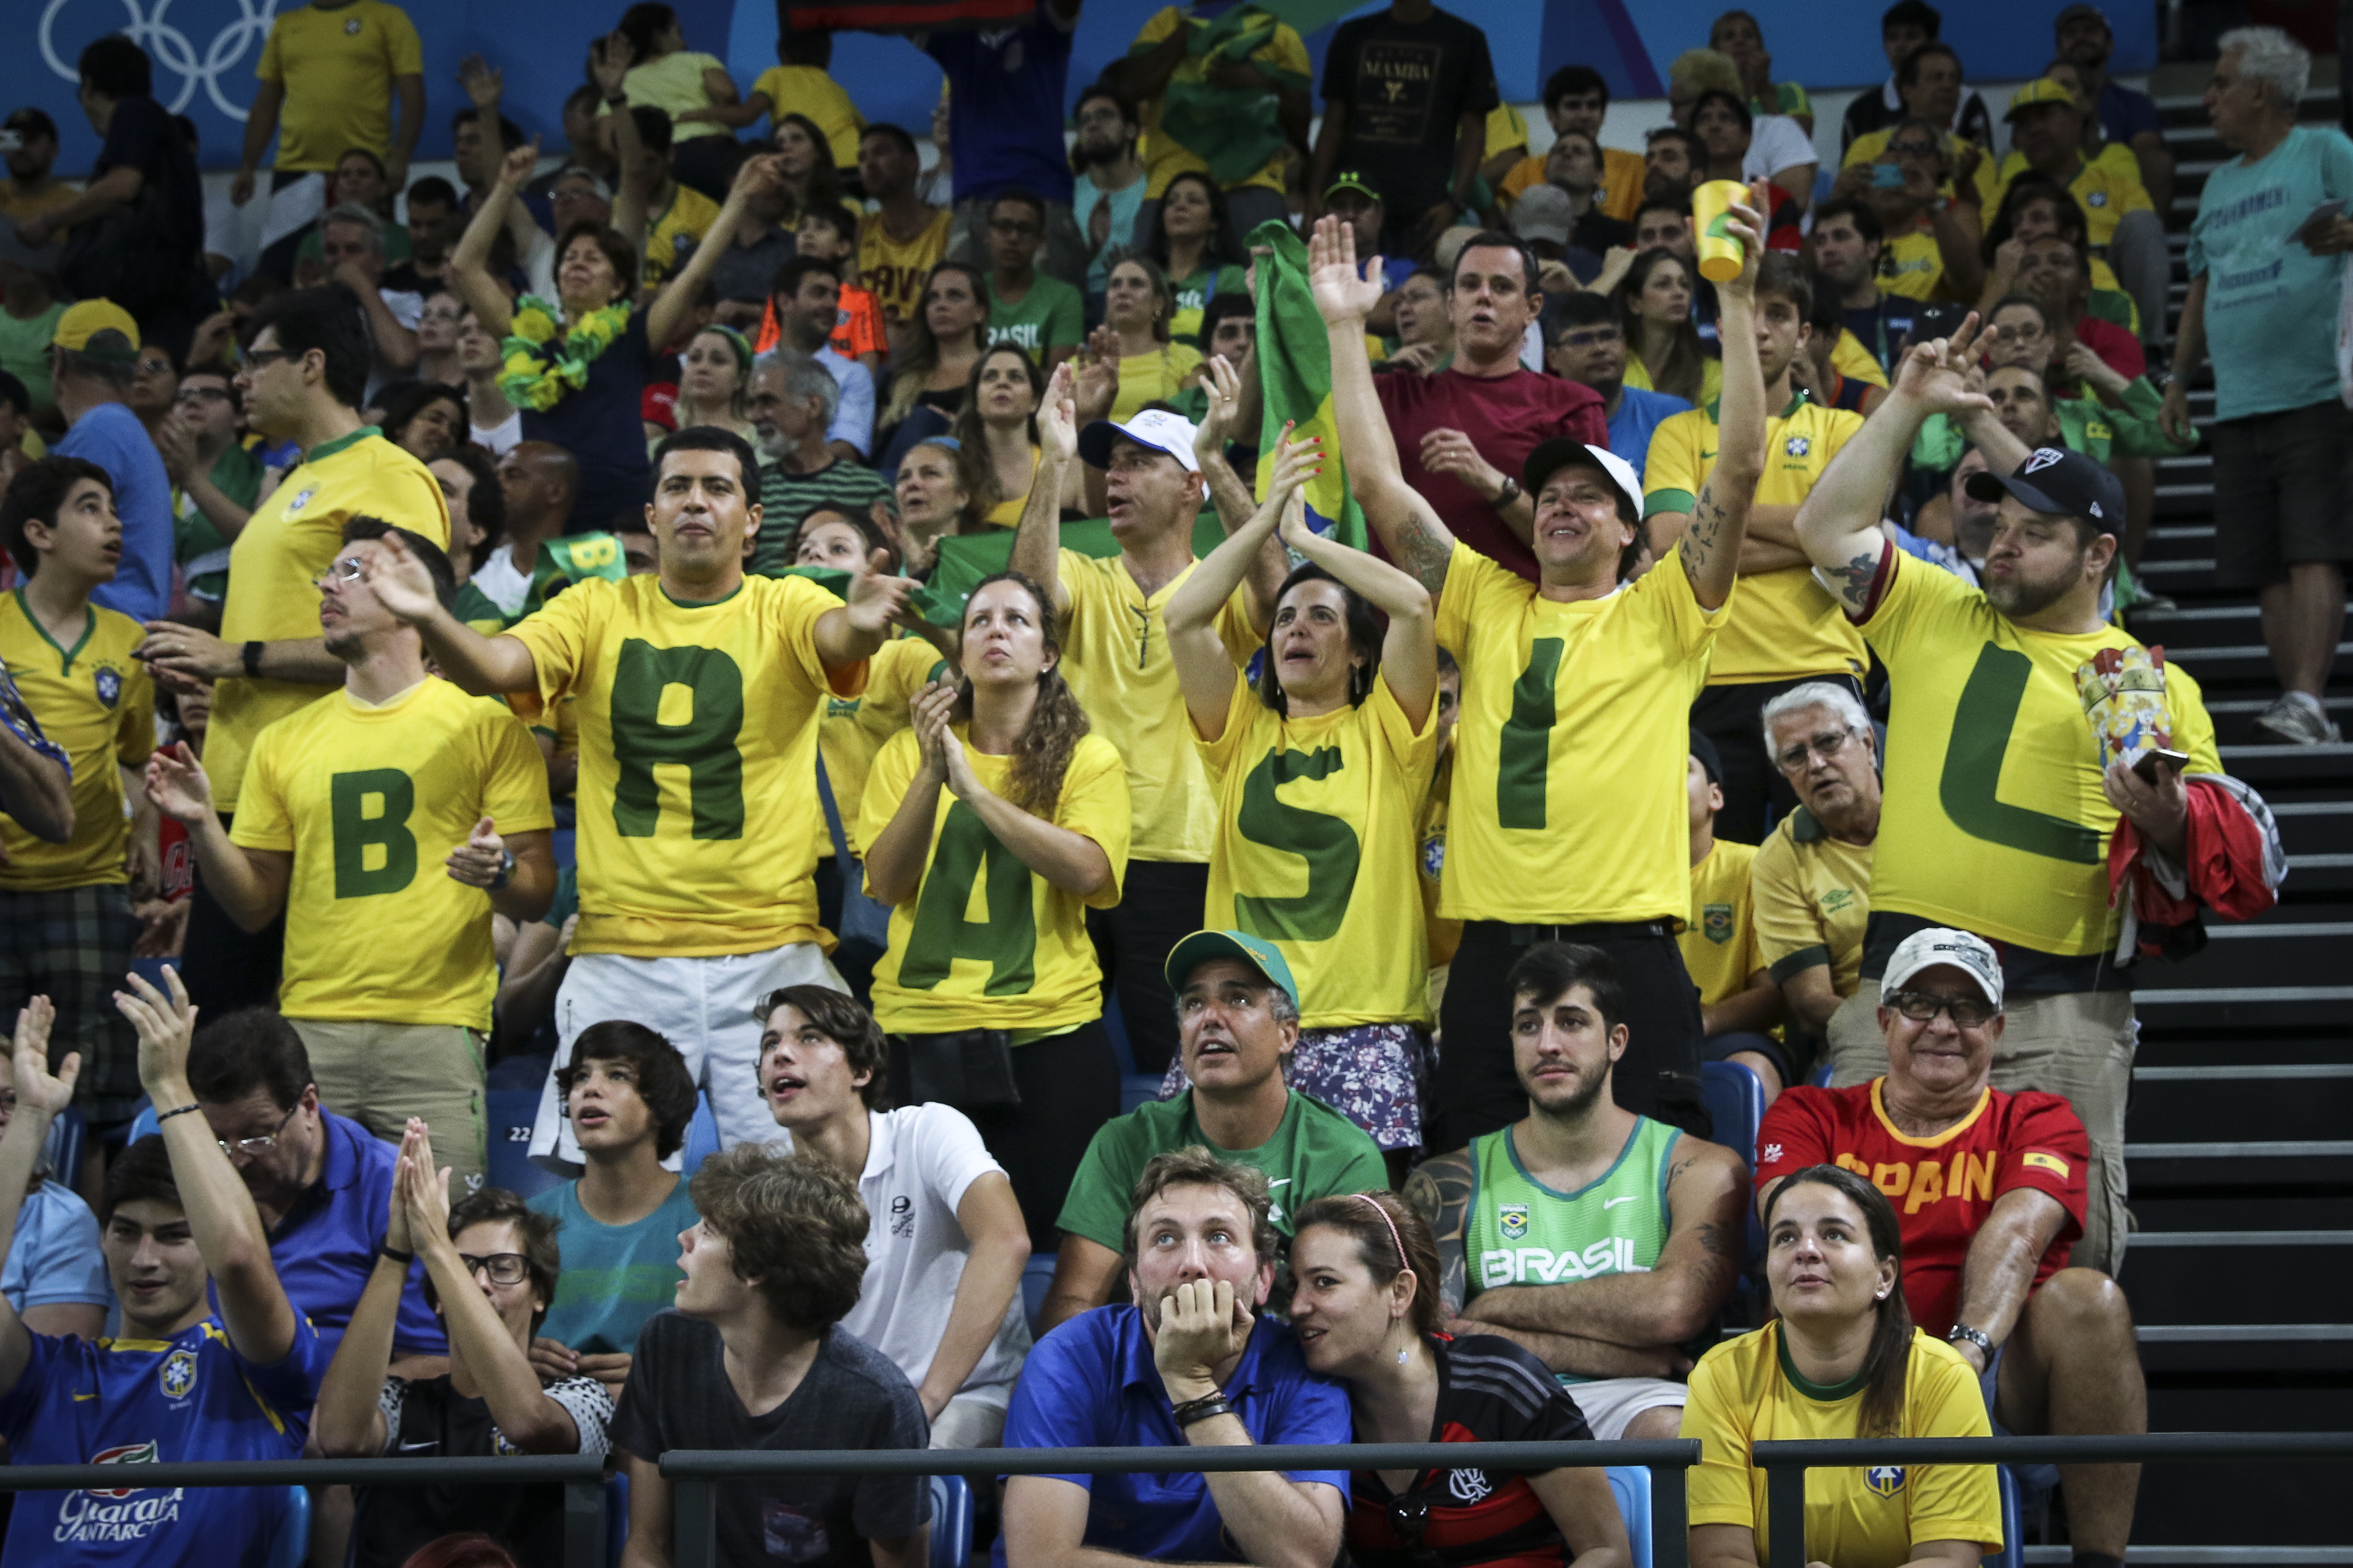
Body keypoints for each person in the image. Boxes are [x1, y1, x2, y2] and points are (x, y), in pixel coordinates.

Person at [1790, 316, 2232, 1281]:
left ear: (2098, 556)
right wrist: (1906, 402)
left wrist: (2165, 819)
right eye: (1997, 525)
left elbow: (2205, 849)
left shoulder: (2151, 680)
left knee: (2068, 1273)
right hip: (1897, 1000)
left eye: (2036, 534)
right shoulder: (1934, 607)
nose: (2001, 544)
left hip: (2064, 1008)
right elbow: (1824, 527)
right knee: (1853, 1260)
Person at [1326, 191, 1771, 1148]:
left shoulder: (1666, 607)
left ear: (1627, 525)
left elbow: (1734, 472)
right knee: (1465, 1166)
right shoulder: (1485, 602)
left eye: (1587, 495)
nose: (1563, 507)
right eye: (1548, 493)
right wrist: (1340, 330)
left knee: (1667, 1169)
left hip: (1628, 940)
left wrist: (1734, 302)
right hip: (1494, 946)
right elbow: (1376, 484)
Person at [362, 427, 913, 1172]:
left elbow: (839, 633)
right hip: (621, 953)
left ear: (751, 522)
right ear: (651, 516)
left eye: (718, 488)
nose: (696, 501)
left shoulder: (783, 606)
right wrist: (429, 615)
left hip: (770, 950)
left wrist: (864, 622)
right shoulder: (593, 608)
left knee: (811, 1184)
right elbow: (494, 666)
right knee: (608, 1187)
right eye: (677, 487)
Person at [146, 518, 554, 1186]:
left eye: (355, 571)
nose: (329, 584)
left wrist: (500, 872)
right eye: (328, 573)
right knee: (303, 1246)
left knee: (442, 1246)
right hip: (310, 1031)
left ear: (417, 594)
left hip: (437, 1027)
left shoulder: (486, 725)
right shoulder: (283, 739)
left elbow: (536, 890)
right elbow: (252, 907)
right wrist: (201, 827)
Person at [1757, 925, 2144, 1568]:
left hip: (1986, 1375)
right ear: (1883, 1020)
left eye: (1965, 1009)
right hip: (1834, 1361)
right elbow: (1788, 1224)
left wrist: (1960, 1359)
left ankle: (2099, 1562)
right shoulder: (1808, 1114)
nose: (1941, 1024)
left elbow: (2018, 1233)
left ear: (1995, 1030)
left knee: (2088, 1299)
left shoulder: (2040, 1120)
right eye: (1919, 1004)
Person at [134, 287, 451, 1020]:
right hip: (245, 790)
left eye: (257, 360)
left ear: (311, 365)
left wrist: (236, 657)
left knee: (292, 1048)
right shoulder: (294, 483)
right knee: (224, 1046)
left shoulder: (388, 475)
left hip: (330, 795)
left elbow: (403, 636)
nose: (240, 378)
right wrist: (208, 653)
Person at [1159, 432, 1440, 1167]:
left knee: (1354, 1244)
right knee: (1201, 1214)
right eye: (1284, 618)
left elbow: (1410, 604)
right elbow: (1183, 616)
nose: (1296, 629)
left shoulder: (1388, 726)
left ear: (1356, 652)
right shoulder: (1240, 727)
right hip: (1236, 1023)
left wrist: (1303, 542)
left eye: (1320, 617)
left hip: (1364, 1027)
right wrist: (1262, 526)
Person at [1009, 371, 1279, 1078]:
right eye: (1112, 465)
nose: (1116, 479)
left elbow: (1277, 595)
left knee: (1180, 1063)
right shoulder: (1085, 574)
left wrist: (1216, 457)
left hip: (1182, 856)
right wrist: (1054, 461)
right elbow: (1027, 599)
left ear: (1190, 486)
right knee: (1050, 1048)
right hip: (1072, 843)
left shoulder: (1217, 583)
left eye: (1139, 463)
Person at [0, 972, 323, 1562]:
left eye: (175, 1235)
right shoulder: (49, 1376)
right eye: (125, 1232)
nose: (144, 1259)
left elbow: (239, 1256)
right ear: (102, 1238)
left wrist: (171, 1086)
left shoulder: (259, 1369)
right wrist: (30, 1117)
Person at [857, 571, 1133, 1250]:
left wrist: (977, 793)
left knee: (1040, 1244)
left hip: (1046, 1036)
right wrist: (930, 775)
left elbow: (1090, 869)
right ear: (961, 654)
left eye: (1016, 619)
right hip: (916, 1034)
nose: (995, 631)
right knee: (915, 1249)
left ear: (1046, 655)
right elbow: (886, 884)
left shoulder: (1086, 759)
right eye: (979, 620)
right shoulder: (903, 753)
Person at [1405, 942, 1747, 1438]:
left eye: (1571, 1021)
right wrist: (1618, 1353)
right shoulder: (1448, 1181)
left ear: (1617, 1040)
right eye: (1528, 1025)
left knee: (1679, 1434)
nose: (1547, 1043)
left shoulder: (1697, 1166)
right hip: (1496, 1397)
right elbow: (1435, 1337)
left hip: (1637, 1401)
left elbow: (1673, 1307)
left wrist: (1496, 1306)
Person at [1001, 1148, 1350, 1568]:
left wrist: (1192, 1385)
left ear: (1263, 1278)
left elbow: (1304, 1559)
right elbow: (1041, 1560)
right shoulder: (1066, 1358)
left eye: (1219, 1236)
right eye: (1165, 1237)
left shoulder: (1303, 1367)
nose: (1193, 1264)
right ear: (1133, 1280)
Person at [1043, 930, 1387, 1331]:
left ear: (1287, 1034)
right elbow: (1074, 1302)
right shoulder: (1126, 1142)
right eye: (1194, 1003)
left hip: (1283, 1376)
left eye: (1238, 999)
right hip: (1150, 1368)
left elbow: (1351, 1318)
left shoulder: (1344, 1157)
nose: (1210, 1017)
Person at [609, 1145, 932, 1568]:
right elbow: (646, 1545)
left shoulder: (880, 1403)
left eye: (707, 1229)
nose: (684, 1237)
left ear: (756, 1267)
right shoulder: (667, 1344)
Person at [2164, 27, 2353, 745]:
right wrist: (2178, 379)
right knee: (2263, 561)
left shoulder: (2324, 151)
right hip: (2236, 399)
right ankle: (2294, 702)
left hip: (2312, 390)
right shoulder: (2216, 183)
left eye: (2218, 83)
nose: (2207, 97)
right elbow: (2199, 286)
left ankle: (2306, 698)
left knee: (2311, 546)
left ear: (2260, 91)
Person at [1643, 254, 1868, 846]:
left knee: (1848, 860)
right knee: (1715, 873)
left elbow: (1854, 542)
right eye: (1745, 312)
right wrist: (1809, 535)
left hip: (1823, 670)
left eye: (1779, 314)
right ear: (1721, 326)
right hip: (1710, 676)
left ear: (1805, 334)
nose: (1760, 328)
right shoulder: (1679, 433)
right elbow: (1669, 545)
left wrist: (1714, 527)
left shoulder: (1843, 430)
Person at [1286, 1189, 1632, 1568]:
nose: (1297, 1307)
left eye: (1324, 1282)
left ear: (1400, 1292)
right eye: (1295, 1284)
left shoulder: (1502, 1384)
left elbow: (1607, 1553)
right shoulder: (1304, 1407)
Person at [1681, 1163, 2002, 1568]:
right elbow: (1719, 1556)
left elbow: (1946, 1558)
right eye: (1785, 1237)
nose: (1806, 1250)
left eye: (1834, 1234)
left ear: (1884, 1276)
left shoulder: (1943, 1378)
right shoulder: (1722, 1375)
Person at [320, 1130, 614, 1568]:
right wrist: (399, 1249)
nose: (478, 1284)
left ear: (540, 1294)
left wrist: (438, 1248)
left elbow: (530, 1425)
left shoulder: (580, 1397)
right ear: (439, 1295)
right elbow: (339, 1438)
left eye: (503, 1268)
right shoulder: (402, 1401)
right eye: (464, 1267)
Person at [756, 985, 1033, 1447]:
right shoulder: (769, 1192)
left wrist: (925, 1399)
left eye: (808, 1038)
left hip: (966, 1396)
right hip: (848, 1410)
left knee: (904, 1475)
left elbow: (1006, 1240)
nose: (782, 1054)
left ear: (862, 1070)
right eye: (770, 1044)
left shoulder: (928, 1131)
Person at [447, 141, 765, 533]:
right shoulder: (526, 337)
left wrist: (737, 200)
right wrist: (505, 186)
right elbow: (465, 267)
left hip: (619, 503)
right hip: (543, 505)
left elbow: (694, 275)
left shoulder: (635, 333)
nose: (577, 263)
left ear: (618, 288)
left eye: (593, 258)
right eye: (569, 258)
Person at [0, 456, 156, 1136]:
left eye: (114, 510)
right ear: (39, 532)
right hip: (4, 883)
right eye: (90, 508)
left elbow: (135, 759)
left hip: (92, 886)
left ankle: (85, 1238)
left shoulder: (129, 641)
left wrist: (146, 833)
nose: (114, 524)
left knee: (90, 1088)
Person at [1375, 232, 1607, 583]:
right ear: (1452, 306)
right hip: (1405, 629)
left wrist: (1493, 483)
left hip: (1518, 626)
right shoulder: (1392, 395)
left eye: (1502, 287)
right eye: (1470, 285)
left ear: (1532, 308)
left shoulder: (1571, 405)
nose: (1484, 296)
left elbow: (1588, 547)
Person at [524, 1021, 702, 1398]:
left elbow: (751, 1345)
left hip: (672, 1421)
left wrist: (669, 1369)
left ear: (660, 1106)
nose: (590, 1088)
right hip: (548, 1419)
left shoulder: (712, 1215)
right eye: (580, 1077)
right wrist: (513, 1351)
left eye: (618, 1076)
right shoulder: (527, 1223)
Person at [26, 39, 215, 356]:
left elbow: (123, 185)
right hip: (160, 305)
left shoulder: (135, 112)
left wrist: (48, 222)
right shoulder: (157, 130)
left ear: (88, 86)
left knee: (149, 377)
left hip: (160, 310)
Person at [1751, 682, 1880, 1059]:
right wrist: (1901, 1031)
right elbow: (1810, 1003)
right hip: (1862, 1037)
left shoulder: (1925, 811)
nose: (1817, 765)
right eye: (1795, 756)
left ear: (1868, 744)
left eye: (1828, 743)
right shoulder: (1778, 860)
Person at [1110, 4, 1308, 246]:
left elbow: (1300, 125)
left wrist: (1257, 81)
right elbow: (1130, 88)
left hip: (1252, 178)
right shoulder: (1164, 25)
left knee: (1267, 279)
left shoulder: (1277, 34)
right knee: (1147, 280)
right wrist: (1188, 33)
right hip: (1170, 183)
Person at [922, 0, 1087, 286]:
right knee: (964, 323)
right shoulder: (955, 33)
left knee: (1051, 320)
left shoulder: (1043, 21)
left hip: (1042, 201)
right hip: (973, 206)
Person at [1988, 79, 2164, 347]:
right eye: (2024, 124)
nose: (2034, 129)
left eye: (2045, 116)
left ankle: (2150, 350)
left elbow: (2144, 247)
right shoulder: (2003, 195)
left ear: (2076, 121)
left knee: (2142, 224)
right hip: (2027, 294)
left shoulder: (2117, 184)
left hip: (2105, 283)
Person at [1311, 0, 1498, 253]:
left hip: (1425, 210)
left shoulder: (1465, 39)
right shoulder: (1352, 35)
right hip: (1354, 203)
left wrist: (1454, 203)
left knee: (1417, 290)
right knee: (1345, 286)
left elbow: (1474, 131)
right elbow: (1333, 123)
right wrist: (1315, 194)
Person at [44, 301, 174, 625]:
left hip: (93, 643)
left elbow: (57, 551)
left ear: (58, 363)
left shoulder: (99, 432)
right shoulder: (120, 429)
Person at [233, 0, 424, 215]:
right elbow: (265, 105)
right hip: (294, 168)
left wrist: (401, 155)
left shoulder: (388, 18)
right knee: (289, 251)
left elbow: (413, 96)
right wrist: (247, 167)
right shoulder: (286, 25)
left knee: (364, 247)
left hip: (365, 169)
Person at [1679, 734, 1783, 1098]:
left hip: (1732, 1036)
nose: (1664, 780)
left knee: (1750, 1074)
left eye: (1682, 768)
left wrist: (1696, 1023)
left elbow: (1773, 993)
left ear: (1715, 796)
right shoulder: (1615, 876)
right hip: (1635, 1039)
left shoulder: (1756, 868)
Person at [748, 350, 895, 577]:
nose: (755, 416)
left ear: (813, 406)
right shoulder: (751, 486)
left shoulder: (869, 489)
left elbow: (886, 568)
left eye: (768, 402)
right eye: (753, 404)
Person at [1547, 292, 1687, 474]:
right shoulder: (1537, 425)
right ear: (1553, 357)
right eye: (1582, 340)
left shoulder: (1671, 417)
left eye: (1609, 336)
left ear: (1624, 344)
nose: (1600, 348)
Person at [2055, 3, 2173, 215]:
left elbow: (2148, 151)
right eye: (2071, 33)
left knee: (2158, 162)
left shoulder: (2134, 103)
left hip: (2116, 197)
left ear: (2110, 46)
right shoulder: (2043, 104)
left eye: (2090, 31)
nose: (2080, 37)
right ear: (2058, 50)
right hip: (2055, 193)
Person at [1840, 0, 1993, 156]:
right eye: (1893, 37)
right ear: (1884, 45)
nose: (1901, 45)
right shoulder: (1861, 111)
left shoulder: (1966, 101)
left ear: (1933, 42)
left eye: (1911, 36)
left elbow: (1982, 166)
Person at [763, 256, 878, 461]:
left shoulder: (853, 375)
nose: (831, 304)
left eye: (836, 296)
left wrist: (776, 467)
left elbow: (848, 449)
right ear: (785, 302)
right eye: (819, 293)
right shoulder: (751, 367)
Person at [1497, 68, 1648, 224]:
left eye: (1593, 106)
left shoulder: (1636, 167)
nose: (1584, 115)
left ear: (1603, 115)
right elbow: (1515, 234)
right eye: (1573, 106)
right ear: (1551, 114)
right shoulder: (1524, 172)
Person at [1806, 199, 1922, 381]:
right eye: (1821, 241)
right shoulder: (1811, 323)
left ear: (1872, 248)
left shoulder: (1914, 314)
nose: (1828, 249)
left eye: (1841, 237)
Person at [858, 124, 956, 336]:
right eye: (862, 158)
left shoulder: (949, 227)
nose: (869, 164)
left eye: (880, 152)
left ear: (912, 162)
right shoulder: (859, 230)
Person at [983, 190, 1086, 371]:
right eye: (1004, 227)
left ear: (1040, 241)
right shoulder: (970, 292)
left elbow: (1060, 378)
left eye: (1025, 229)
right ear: (988, 234)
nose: (1013, 237)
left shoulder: (1064, 297)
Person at [1144, 173, 1250, 349]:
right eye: (1171, 202)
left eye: (1194, 201)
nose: (1180, 206)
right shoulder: (1143, 280)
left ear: (1214, 221)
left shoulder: (1232, 278)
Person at [1097, 258, 1204, 422]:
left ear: (1159, 303)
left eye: (1136, 284)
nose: (1123, 292)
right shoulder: (1082, 366)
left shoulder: (1186, 361)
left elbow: (1192, 428)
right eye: (1115, 285)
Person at [1069, 88, 1148, 305]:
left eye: (1105, 115)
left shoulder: (1155, 192)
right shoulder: (1066, 196)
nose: (1093, 125)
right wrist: (1092, 248)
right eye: (1085, 121)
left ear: (1131, 130)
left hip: (1146, 303)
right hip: (1079, 307)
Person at [1617, 248, 1716, 408]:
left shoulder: (1710, 373)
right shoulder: (1615, 364)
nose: (1679, 293)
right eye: (1663, 285)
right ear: (1634, 303)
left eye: (1684, 285)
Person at [1710, 10, 1811, 131]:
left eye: (1748, 35)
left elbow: (1799, 141)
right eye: (1729, 36)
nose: (1740, 41)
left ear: (1760, 47)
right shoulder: (1705, 99)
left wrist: (1764, 92)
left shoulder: (1789, 92)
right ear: (1715, 51)